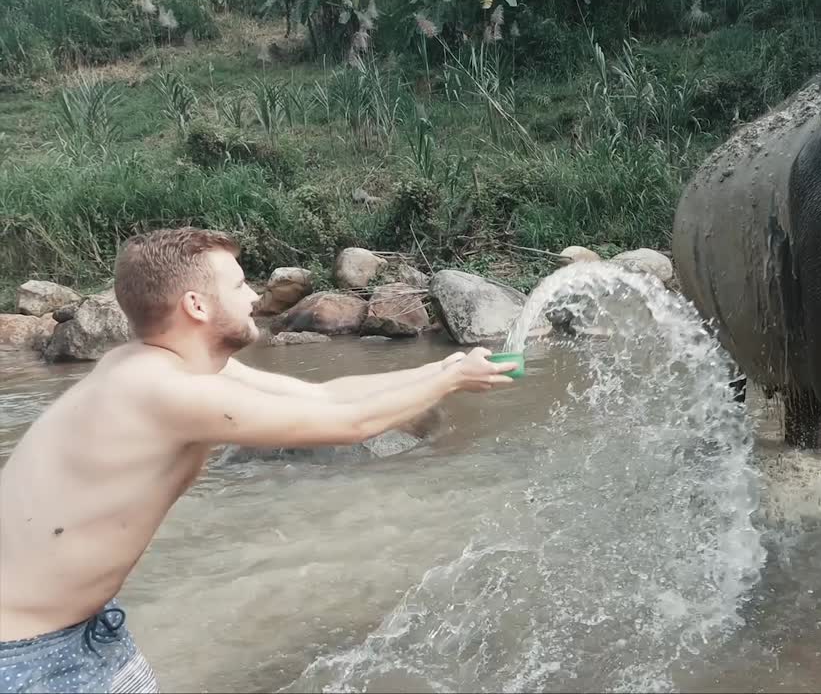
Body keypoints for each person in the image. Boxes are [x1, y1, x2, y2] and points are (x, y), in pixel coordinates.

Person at [0, 227, 517, 693]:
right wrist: (450, 381)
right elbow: (348, 427)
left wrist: (442, 368)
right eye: (240, 285)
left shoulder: (168, 367)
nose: (254, 297)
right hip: (27, 658)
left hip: (80, 631)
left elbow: (326, 398)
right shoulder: (158, 391)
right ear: (197, 306)